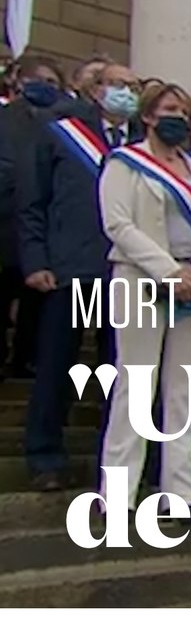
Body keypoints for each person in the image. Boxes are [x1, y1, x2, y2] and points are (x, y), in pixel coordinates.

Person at [97, 82, 191, 522]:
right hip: (142, 280)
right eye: (169, 109)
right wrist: (169, 271)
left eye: (184, 109)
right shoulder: (125, 164)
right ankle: (119, 493)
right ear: (150, 116)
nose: (178, 116)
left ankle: (180, 493)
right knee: (136, 386)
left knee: (183, 392)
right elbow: (118, 224)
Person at [18, 62, 144, 491]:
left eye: (132, 86)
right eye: (116, 84)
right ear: (95, 89)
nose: (124, 92)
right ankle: (45, 456)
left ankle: (115, 466)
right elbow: (34, 201)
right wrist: (36, 260)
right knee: (57, 365)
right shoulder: (61, 133)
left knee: (122, 372)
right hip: (71, 270)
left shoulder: (145, 145)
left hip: (129, 273)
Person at [0, 55, 66, 380]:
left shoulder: (59, 127)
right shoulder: (6, 119)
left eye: (54, 83)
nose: (47, 88)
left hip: (40, 231)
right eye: (41, 81)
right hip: (5, 223)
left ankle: (24, 359)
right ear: (20, 82)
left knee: (34, 303)